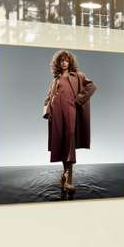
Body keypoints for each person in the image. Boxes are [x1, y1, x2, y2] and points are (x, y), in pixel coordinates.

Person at [43, 50, 97, 199]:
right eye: (61, 61)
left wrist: (79, 99)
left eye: (66, 60)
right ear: (58, 64)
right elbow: (47, 98)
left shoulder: (78, 76)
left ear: (70, 62)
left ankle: (68, 179)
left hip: (71, 111)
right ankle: (66, 179)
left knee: (70, 141)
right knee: (61, 143)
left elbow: (91, 86)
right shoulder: (55, 80)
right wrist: (47, 110)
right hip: (56, 114)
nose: (64, 62)